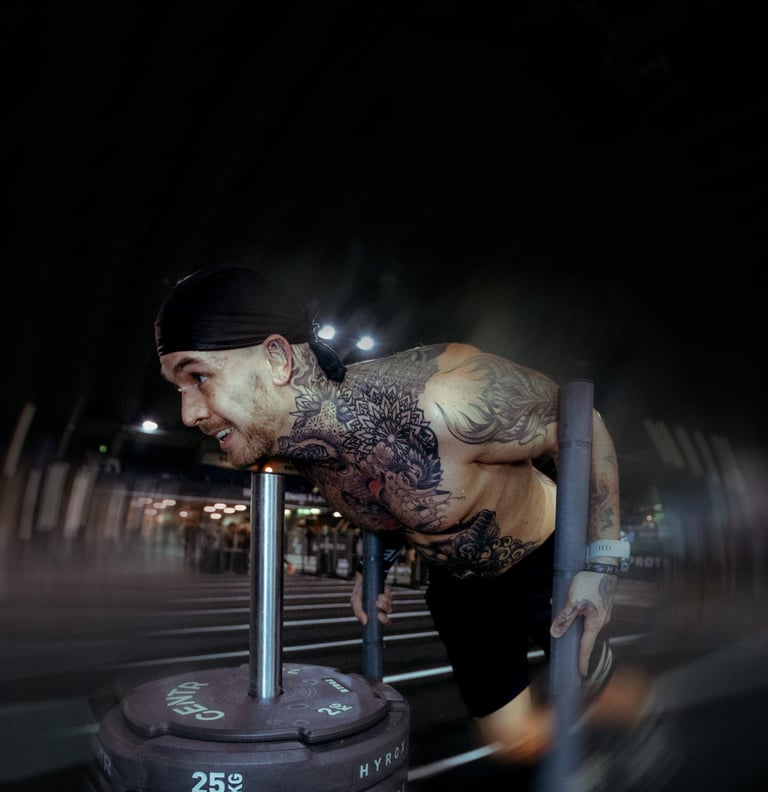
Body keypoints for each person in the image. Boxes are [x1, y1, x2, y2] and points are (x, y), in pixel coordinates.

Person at [155, 265, 626, 763]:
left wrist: (601, 565)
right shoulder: (299, 446)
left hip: (544, 567)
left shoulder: (445, 399)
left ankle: (622, 743)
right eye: (179, 388)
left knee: (600, 697)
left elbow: (582, 422)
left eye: (198, 377)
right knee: (516, 741)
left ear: (277, 358)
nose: (189, 413)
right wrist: (371, 567)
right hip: (460, 592)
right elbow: (392, 496)